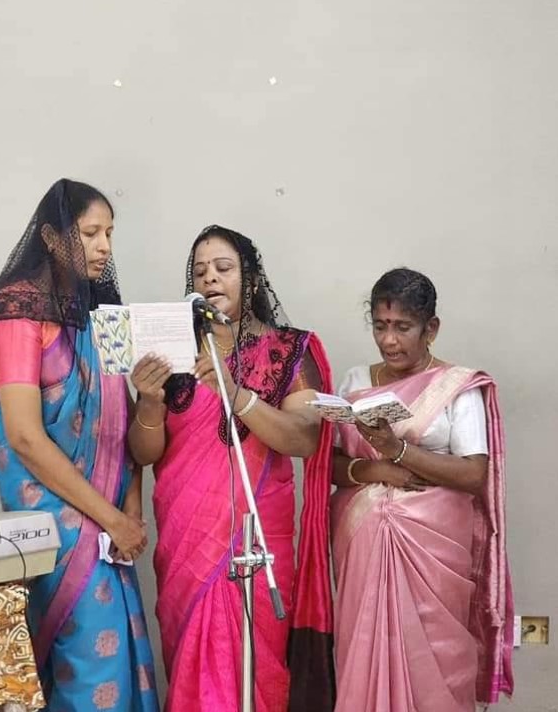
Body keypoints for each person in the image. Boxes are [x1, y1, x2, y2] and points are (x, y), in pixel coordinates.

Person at [0, 179, 159, 712]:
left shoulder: (107, 316)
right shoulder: (15, 314)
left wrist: (131, 511)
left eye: (110, 233)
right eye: (91, 233)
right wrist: (111, 518)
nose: (104, 246)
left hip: (112, 524)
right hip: (57, 523)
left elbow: (122, 426)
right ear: (52, 238)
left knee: (119, 661)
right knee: (87, 665)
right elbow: (25, 437)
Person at [129, 225, 336, 712]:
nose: (210, 278)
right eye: (200, 271)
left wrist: (237, 393)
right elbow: (143, 453)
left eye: (224, 268)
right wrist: (150, 400)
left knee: (256, 671)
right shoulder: (173, 354)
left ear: (252, 279)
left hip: (256, 542)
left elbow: (303, 438)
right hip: (187, 543)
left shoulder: (289, 348)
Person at [329, 267, 513, 711]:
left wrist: (397, 451)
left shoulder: (457, 388)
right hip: (362, 544)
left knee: (432, 660)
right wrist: (377, 471)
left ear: (431, 328)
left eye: (402, 327)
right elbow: (331, 467)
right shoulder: (355, 382)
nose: (389, 341)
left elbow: (473, 474)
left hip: (432, 551)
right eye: (380, 326)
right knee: (363, 651)